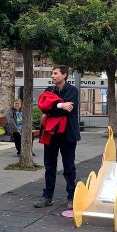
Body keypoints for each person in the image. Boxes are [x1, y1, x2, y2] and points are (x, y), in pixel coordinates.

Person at [34, 65, 81, 210]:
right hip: (51, 133)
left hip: (68, 134)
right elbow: (43, 107)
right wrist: (61, 105)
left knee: (69, 167)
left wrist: (54, 107)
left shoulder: (72, 91)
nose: (52, 76)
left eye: (55, 73)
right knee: (49, 166)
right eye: (52, 74)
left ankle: (71, 197)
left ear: (64, 75)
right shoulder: (49, 90)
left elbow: (68, 110)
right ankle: (47, 197)